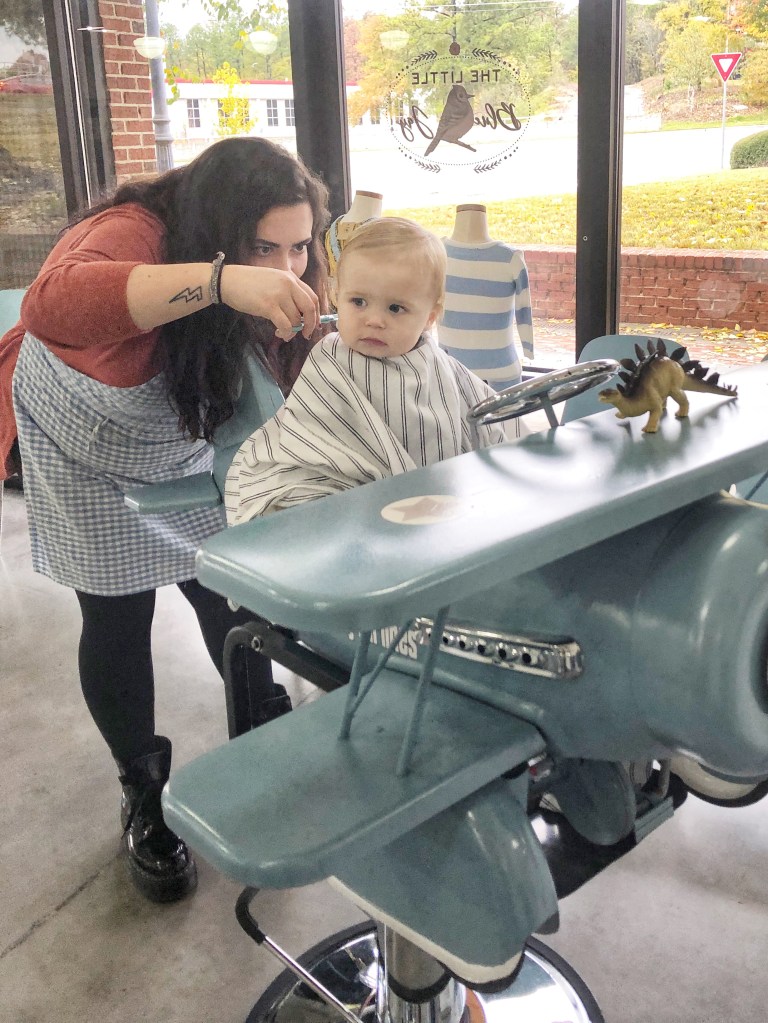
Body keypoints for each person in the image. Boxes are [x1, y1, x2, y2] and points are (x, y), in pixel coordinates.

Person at [0, 137, 332, 903]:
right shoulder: (136, 230)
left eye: (299, 247)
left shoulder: (289, 272)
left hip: (176, 435)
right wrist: (222, 281)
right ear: (219, 228)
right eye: (264, 247)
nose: (286, 267)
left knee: (229, 591)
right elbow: (49, 304)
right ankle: (145, 793)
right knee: (117, 615)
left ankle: (265, 739)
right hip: (77, 436)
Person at [225, 217, 508, 525]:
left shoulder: (439, 366)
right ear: (337, 296)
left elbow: (493, 418)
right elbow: (306, 436)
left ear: (430, 317)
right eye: (358, 302)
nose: (374, 320)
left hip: (431, 497)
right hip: (336, 493)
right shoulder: (329, 358)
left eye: (395, 308)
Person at [439, 203, 534, 391]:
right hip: (449, 370)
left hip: (499, 372)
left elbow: (524, 310)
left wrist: (528, 348)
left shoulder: (510, 258)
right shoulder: (436, 253)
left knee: (507, 413)